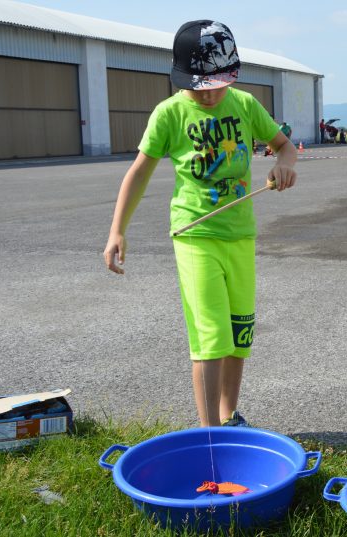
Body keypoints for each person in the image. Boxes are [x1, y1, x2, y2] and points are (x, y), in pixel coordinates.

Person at [103, 20, 297, 427]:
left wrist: (284, 165)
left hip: (240, 235)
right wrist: (117, 229)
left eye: (217, 84)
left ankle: (229, 417)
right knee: (211, 336)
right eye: (199, 86)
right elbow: (138, 172)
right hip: (195, 235)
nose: (208, 94)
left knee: (238, 333)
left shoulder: (244, 105)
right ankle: (208, 433)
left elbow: (284, 146)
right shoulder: (169, 113)